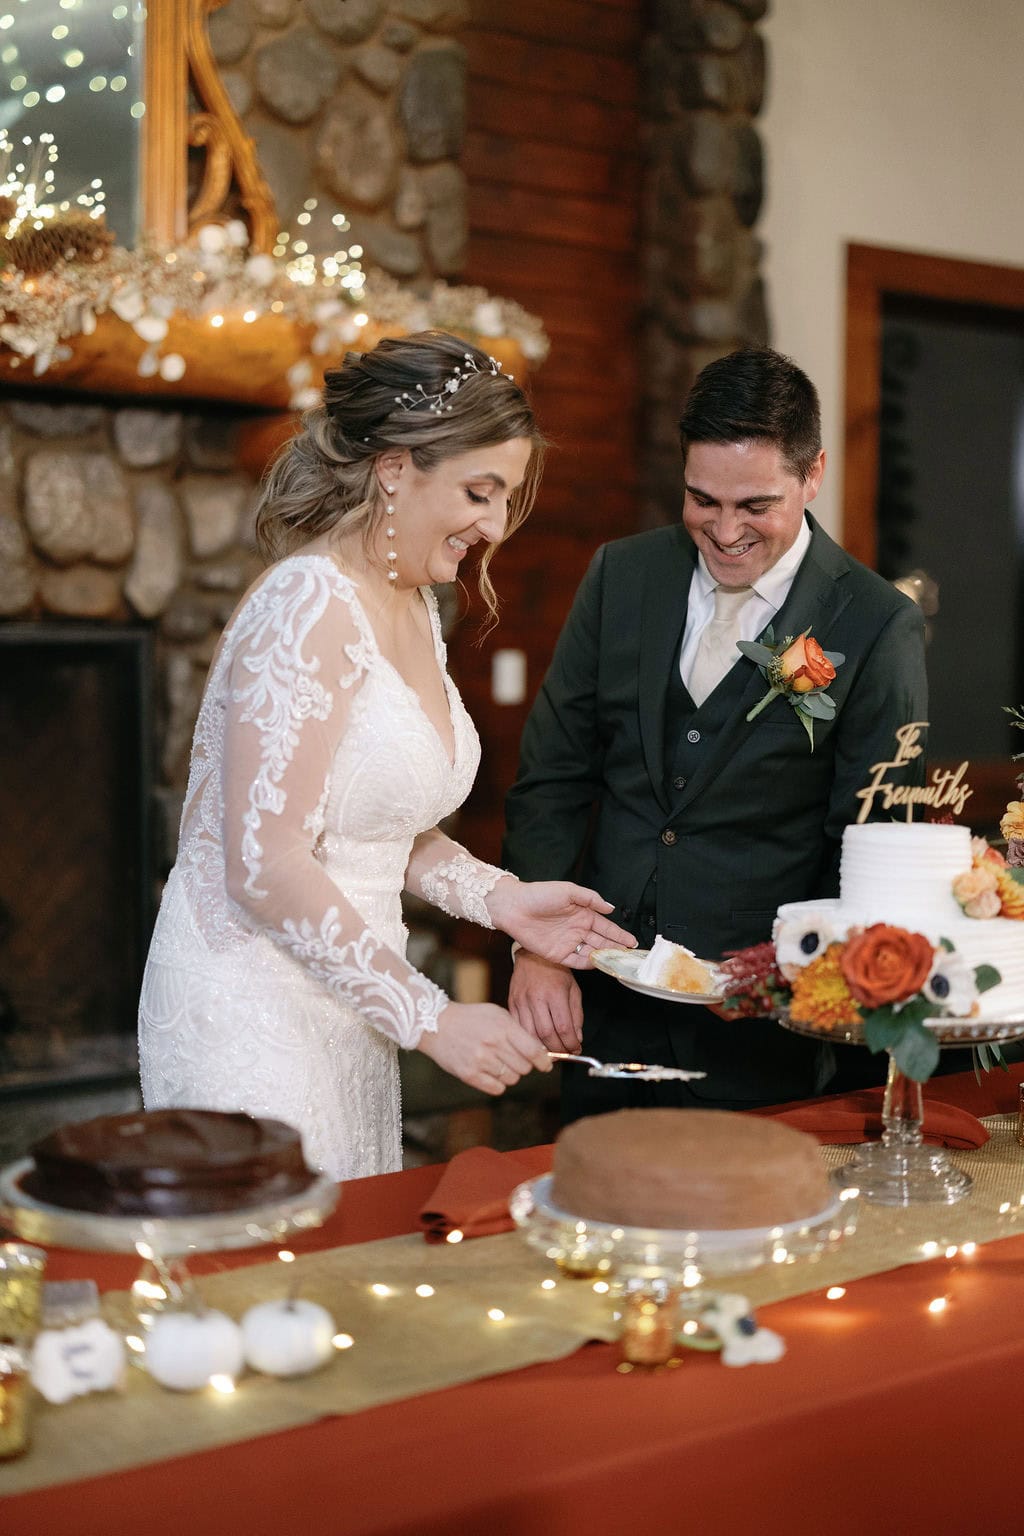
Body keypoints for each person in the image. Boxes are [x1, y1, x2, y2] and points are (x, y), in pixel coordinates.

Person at [138, 331, 635, 1179]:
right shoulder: (307, 604)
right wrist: (430, 1017)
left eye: (506, 498)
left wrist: (502, 900)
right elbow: (264, 863)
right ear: (396, 468)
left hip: (347, 1001)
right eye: (480, 492)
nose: (494, 524)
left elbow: (373, 829)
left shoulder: (412, 606)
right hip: (248, 1006)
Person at [502, 346, 928, 1123]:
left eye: (755, 505)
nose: (725, 531)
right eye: (703, 500)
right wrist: (536, 949)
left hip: (767, 1031)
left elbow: (869, 842)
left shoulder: (875, 624)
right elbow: (553, 775)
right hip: (604, 1005)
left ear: (813, 474)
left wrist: (817, 997)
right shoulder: (620, 577)